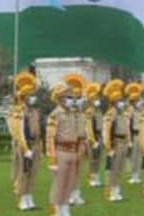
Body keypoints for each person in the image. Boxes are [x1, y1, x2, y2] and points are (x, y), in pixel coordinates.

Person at [46, 75, 84, 216]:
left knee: (69, 182)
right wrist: (52, 160)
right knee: (59, 182)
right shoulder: (55, 115)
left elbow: (79, 133)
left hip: (73, 151)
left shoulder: (73, 114)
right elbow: (50, 138)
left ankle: (64, 206)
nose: (71, 100)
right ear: (60, 98)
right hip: (61, 150)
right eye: (68, 97)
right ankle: (55, 209)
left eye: (72, 97)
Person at [8, 71, 41, 211]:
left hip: (34, 145)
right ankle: (22, 199)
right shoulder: (18, 111)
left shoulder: (35, 111)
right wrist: (25, 148)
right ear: (24, 96)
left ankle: (29, 197)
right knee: (23, 171)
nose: (33, 98)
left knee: (33, 172)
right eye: (30, 95)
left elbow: (38, 131)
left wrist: (38, 146)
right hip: (24, 145)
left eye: (33, 95)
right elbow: (18, 132)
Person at [101, 79, 127, 202]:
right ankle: (110, 192)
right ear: (114, 101)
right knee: (112, 169)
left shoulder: (122, 113)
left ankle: (117, 191)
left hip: (123, 143)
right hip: (115, 143)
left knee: (119, 169)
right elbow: (106, 131)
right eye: (119, 100)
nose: (122, 102)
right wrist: (109, 147)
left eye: (122, 100)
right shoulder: (110, 114)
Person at [84, 82, 104, 188]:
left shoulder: (99, 111)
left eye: (98, 98)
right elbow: (89, 127)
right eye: (95, 99)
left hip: (99, 136)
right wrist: (92, 140)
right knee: (92, 159)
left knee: (98, 158)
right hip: (93, 137)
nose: (97, 101)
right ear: (91, 100)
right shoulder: (89, 111)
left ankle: (96, 177)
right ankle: (91, 178)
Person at [125, 83, 143, 184]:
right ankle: (133, 175)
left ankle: (137, 174)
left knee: (139, 156)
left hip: (140, 134)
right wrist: (129, 138)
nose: (139, 101)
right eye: (137, 100)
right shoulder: (130, 110)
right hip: (134, 134)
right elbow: (128, 124)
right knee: (133, 155)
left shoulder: (141, 110)